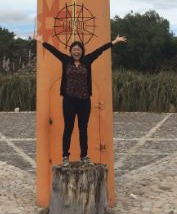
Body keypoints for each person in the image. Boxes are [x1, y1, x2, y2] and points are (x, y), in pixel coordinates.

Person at [35, 33, 127, 166]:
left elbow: (100, 50)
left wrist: (114, 42)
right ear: (71, 51)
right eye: (74, 50)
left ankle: (84, 156)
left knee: (83, 128)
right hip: (69, 100)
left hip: (84, 100)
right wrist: (41, 42)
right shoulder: (66, 60)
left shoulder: (87, 60)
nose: (76, 52)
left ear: (82, 51)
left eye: (78, 50)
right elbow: (54, 51)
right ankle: (65, 156)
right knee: (68, 128)